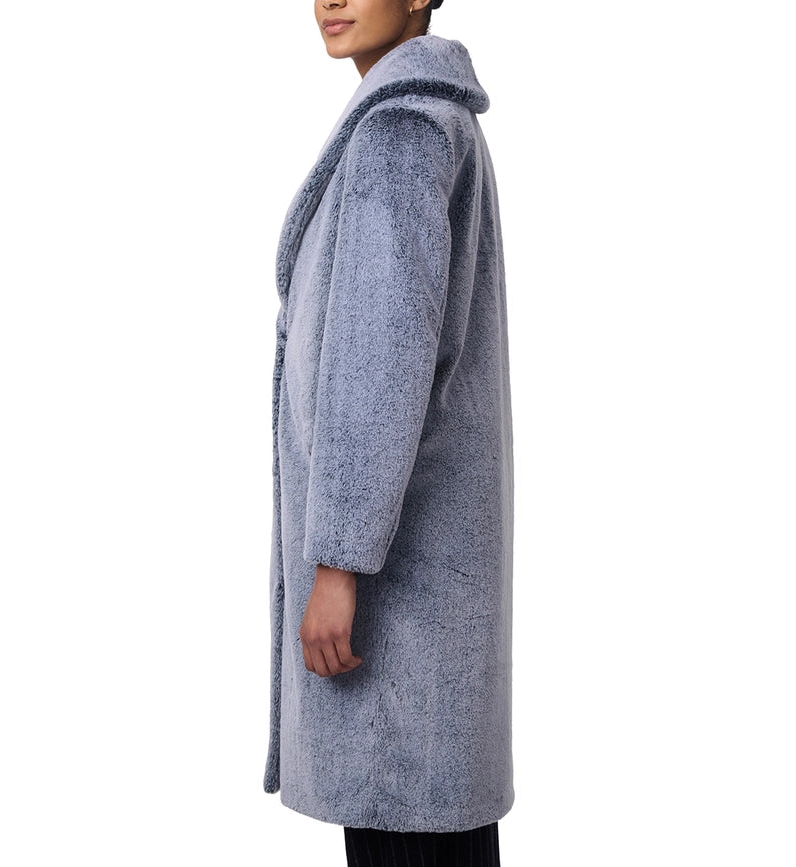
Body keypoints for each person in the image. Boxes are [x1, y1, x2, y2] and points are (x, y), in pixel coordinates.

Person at [263, 2, 514, 864]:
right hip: (431, 596)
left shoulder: (398, 133)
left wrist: (337, 562)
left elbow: (379, 361)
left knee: (403, 829)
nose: (330, 0)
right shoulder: (436, 122)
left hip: (393, 602)